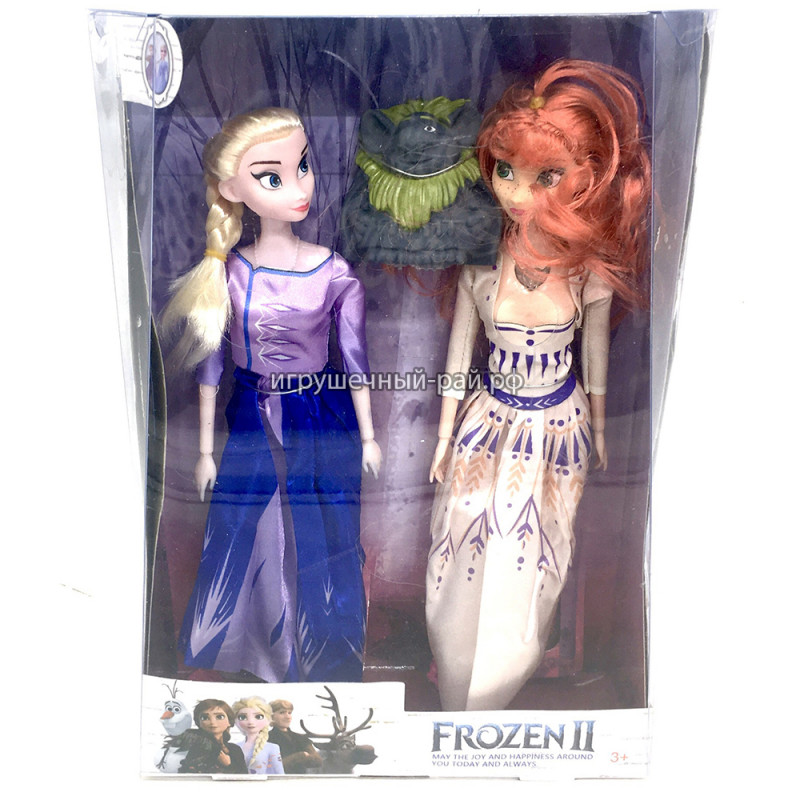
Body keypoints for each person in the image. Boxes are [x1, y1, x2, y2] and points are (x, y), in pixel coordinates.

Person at [426, 59, 651, 711]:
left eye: (545, 176)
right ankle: (455, 683)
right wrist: (442, 436)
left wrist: (601, 431)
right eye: (505, 171)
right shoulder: (480, 264)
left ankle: (501, 684)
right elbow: (457, 354)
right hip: (485, 423)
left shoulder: (586, 274)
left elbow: (596, 357)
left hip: (557, 429)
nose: (518, 193)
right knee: (462, 540)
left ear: (585, 178)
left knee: (531, 557)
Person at [162, 108, 381, 683]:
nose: (300, 187)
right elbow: (211, 367)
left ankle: (323, 655)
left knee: (321, 531)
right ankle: (258, 652)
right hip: (252, 415)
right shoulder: (229, 273)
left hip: (318, 414)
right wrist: (204, 452)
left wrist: (369, 437)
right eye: (272, 177)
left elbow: (354, 358)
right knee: (252, 530)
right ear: (233, 190)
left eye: (303, 166)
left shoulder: (334, 272)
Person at [175, 699, 247, 774]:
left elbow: (245, 776)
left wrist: (229, 765)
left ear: (229, 721)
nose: (212, 722)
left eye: (219, 717)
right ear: (199, 722)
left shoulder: (235, 750)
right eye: (205, 718)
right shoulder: (196, 748)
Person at [267, 698, 322, 774]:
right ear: (272, 716)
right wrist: (300, 756)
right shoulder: (266, 738)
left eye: (289, 713)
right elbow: (271, 766)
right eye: (282, 712)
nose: (287, 716)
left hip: (300, 780)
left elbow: (318, 761)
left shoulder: (301, 738)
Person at [232, 697, 284, 775]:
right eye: (243, 717)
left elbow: (280, 774)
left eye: (258, 717)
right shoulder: (234, 747)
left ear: (268, 720)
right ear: (236, 721)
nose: (250, 722)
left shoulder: (272, 748)